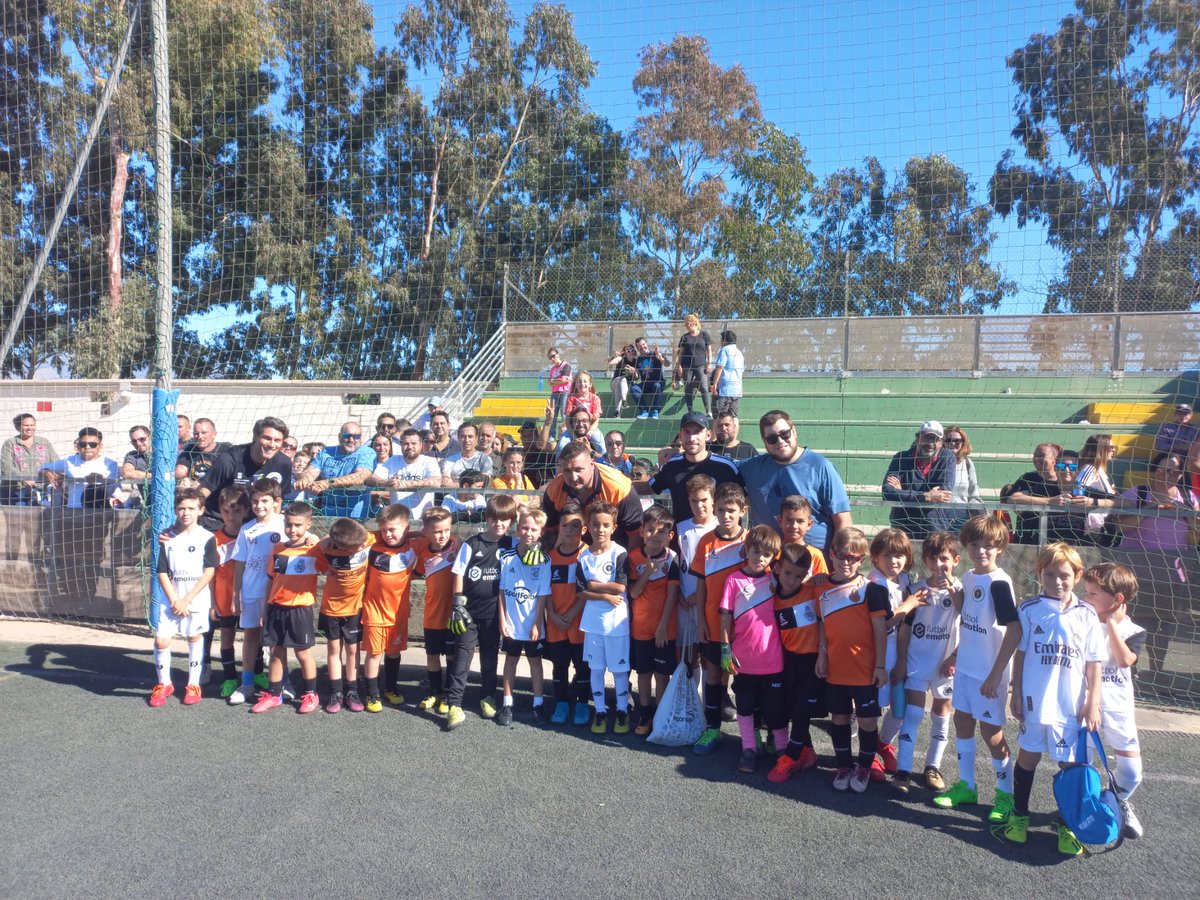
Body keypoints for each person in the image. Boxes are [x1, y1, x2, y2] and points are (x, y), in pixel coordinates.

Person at [993, 542, 1104, 857]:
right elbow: (1022, 652)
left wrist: (1093, 700)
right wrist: (1016, 692)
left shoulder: (1087, 615)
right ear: (1038, 573)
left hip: (1071, 706)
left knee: (1071, 766)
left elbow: (1094, 662)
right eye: (1050, 574)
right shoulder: (1029, 610)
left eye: (1065, 575)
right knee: (1028, 758)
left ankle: (1067, 824)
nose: (1058, 581)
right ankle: (1019, 815)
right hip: (1036, 702)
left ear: (1078, 576)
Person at [932, 514, 1018, 825]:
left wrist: (997, 675)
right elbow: (965, 611)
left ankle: (1006, 794)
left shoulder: (999, 583)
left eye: (988, 546)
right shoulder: (969, 577)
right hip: (967, 668)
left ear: (1000, 548)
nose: (981, 551)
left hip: (988, 673)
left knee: (991, 733)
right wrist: (954, 590)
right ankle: (967, 786)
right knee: (964, 724)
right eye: (974, 545)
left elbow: (1015, 631)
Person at [813, 527, 888, 793]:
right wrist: (822, 653)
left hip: (865, 670)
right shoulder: (820, 586)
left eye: (854, 558)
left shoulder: (872, 590)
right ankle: (843, 765)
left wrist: (880, 666)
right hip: (835, 668)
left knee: (867, 721)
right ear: (831, 553)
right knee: (840, 718)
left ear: (862, 560)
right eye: (841, 555)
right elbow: (822, 624)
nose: (846, 562)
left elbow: (881, 631)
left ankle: (864, 766)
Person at [891, 531, 961, 793]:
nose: (938, 565)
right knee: (913, 714)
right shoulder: (916, 590)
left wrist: (954, 656)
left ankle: (933, 766)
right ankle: (904, 769)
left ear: (955, 560)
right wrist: (900, 661)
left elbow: (971, 623)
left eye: (943, 559)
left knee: (942, 716)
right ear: (925, 561)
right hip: (917, 662)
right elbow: (905, 629)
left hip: (945, 667)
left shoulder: (960, 591)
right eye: (931, 559)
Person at [1081, 562, 1147, 839]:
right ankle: (1082, 812)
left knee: (1132, 772)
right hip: (1083, 704)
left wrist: (1110, 624)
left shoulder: (1134, 630)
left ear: (1118, 599)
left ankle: (1116, 801)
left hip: (1117, 708)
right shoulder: (1081, 619)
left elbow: (1124, 660)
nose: (1086, 598)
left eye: (1093, 594)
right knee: (1083, 768)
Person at [444, 495, 519, 730]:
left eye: (505, 520)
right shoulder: (472, 543)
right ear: (487, 518)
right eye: (495, 519)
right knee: (462, 657)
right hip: (468, 614)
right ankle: (454, 704)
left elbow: (530, 549)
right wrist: (457, 605)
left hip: (494, 614)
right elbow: (458, 573)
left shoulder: (512, 544)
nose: (499, 524)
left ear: (511, 521)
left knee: (489, 657)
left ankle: (488, 697)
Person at [719, 525, 787, 774]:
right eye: (756, 552)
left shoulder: (776, 581)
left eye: (767, 555)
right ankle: (748, 748)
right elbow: (725, 618)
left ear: (773, 557)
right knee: (745, 706)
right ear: (746, 550)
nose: (760, 558)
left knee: (775, 708)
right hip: (743, 660)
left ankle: (782, 749)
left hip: (773, 662)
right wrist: (725, 648)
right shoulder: (733, 580)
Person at [691, 481, 751, 755]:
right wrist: (701, 620)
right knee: (713, 675)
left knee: (746, 681)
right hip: (713, 625)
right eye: (720, 510)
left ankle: (752, 736)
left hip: (745, 629)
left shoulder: (751, 542)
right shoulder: (706, 542)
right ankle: (712, 728)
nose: (725, 516)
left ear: (743, 510)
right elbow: (701, 584)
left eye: (731, 510)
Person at [739, 410, 852, 553]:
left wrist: (839, 557)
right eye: (772, 439)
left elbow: (843, 520)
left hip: (816, 563)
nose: (780, 441)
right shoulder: (751, 468)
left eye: (785, 434)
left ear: (794, 431)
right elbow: (720, 468)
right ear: (764, 441)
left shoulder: (821, 467)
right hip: (769, 561)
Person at [249, 501, 324, 715]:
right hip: (276, 609)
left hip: (299, 609)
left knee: (303, 653)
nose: (293, 530)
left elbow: (333, 548)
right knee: (275, 652)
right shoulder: (278, 549)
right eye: (289, 525)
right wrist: (266, 609)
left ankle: (311, 693)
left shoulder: (314, 549)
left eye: (298, 525)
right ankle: (274, 694)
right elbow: (271, 581)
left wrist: (319, 540)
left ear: (309, 524)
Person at [866, 528, 927, 782]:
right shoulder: (873, 583)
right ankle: (867, 754)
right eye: (888, 556)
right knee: (870, 708)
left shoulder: (902, 580)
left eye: (900, 555)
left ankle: (883, 742)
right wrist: (909, 604)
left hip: (900, 652)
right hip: (876, 653)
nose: (894, 561)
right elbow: (886, 624)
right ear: (875, 558)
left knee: (899, 707)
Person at [148, 488, 218, 708]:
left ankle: (193, 684)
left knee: (194, 638)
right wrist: (174, 600)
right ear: (175, 510)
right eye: (181, 508)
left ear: (201, 510)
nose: (185, 512)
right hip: (171, 599)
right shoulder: (167, 537)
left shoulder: (207, 538)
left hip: (195, 598)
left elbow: (209, 572)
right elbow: (161, 571)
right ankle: (164, 683)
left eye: (191, 508)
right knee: (161, 639)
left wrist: (187, 599)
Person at [227, 478, 286, 705]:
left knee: (276, 639)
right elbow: (240, 563)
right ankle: (247, 683)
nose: (259, 505)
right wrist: (235, 594)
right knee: (251, 635)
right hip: (251, 591)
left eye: (264, 500)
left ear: (276, 502)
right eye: (255, 501)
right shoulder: (247, 528)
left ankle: (280, 683)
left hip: (278, 592)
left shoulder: (285, 524)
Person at [576, 499, 632, 735]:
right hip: (593, 623)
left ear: (613, 527)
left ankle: (621, 710)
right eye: (596, 525)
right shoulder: (584, 557)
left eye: (605, 525)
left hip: (617, 624)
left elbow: (620, 587)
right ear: (588, 527)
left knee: (619, 671)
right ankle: (599, 711)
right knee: (596, 669)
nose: (600, 530)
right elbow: (581, 592)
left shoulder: (620, 553)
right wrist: (604, 595)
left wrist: (595, 586)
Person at [766, 542, 821, 783]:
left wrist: (823, 579)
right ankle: (805, 751)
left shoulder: (813, 590)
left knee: (801, 709)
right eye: (787, 573)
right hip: (788, 659)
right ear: (777, 568)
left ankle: (792, 754)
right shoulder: (771, 594)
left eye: (799, 576)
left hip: (814, 660)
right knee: (787, 706)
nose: (792, 580)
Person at [361, 504, 423, 713]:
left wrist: (411, 532)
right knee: (374, 653)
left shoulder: (415, 546)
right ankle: (372, 693)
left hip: (398, 614)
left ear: (406, 527)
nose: (387, 534)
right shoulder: (374, 544)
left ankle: (391, 688)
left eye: (393, 530)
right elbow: (359, 534)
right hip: (374, 612)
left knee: (394, 653)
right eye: (384, 530)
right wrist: (379, 532)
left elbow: (435, 533)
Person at [627, 506, 681, 735]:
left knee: (662, 675)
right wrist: (647, 573)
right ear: (641, 531)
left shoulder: (673, 559)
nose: (655, 535)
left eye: (661, 532)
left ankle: (660, 714)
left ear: (670, 536)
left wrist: (662, 628)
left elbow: (672, 596)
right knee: (643, 673)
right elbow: (633, 593)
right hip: (640, 627)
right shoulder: (632, 558)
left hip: (664, 629)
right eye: (650, 530)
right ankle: (645, 712)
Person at [496, 507, 552, 726]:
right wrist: (502, 619)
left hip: (533, 625)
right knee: (510, 661)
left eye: (533, 529)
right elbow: (501, 591)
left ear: (541, 533)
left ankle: (538, 704)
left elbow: (543, 595)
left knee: (535, 662)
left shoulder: (544, 561)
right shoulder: (506, 557)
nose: (528, 533)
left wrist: (538, 623)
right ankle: (508, 703)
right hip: (511, 624)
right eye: (524, 528)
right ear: (517, 529)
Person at [313, 518, 373, 714]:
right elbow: (314, 547)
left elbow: (378, 534)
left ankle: (352, 691)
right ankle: (336, 692)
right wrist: (323, 541)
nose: (360, 547)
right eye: (355, 547)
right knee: (333, 650)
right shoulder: (325, 549)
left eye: (360, 544)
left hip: (355, 608)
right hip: (331, 609)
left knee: (353, 651)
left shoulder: (367, 540)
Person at [541, 442, 643, 549]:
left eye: (578, 470)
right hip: (572, 552)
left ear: (591, 464)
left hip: (616, 551)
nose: (574, 477)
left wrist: (626, 563)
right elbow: (550, 533)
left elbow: (636, 536)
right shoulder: (554, 490)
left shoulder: (620, 488)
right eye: (567, 471)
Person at [198, 416, 293, 530]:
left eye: (277, 440)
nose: (272, 445)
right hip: (219, 521)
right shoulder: (230, 459)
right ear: (255, 437)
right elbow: (203, 491)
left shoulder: (283, 463)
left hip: (254, 523)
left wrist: (274, 527)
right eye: (267, 438)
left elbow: (277, 499)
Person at [641, 412, 741, 518]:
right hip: (682, 533)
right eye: (687, 432)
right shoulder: (671, 465)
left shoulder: (726, 467)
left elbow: (745, 499)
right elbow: (650, 488)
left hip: (716, 534)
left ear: (708, 435)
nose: (692, 438)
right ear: (681, 436)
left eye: (697, 432)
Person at [201, 487, 249, 699]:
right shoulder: (214, 539)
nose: (231, 516)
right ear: (220, 511)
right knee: (227, 637)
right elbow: (210, 575)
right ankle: (229, 677)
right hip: (223, 598)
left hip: (248, 599)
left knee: (252, 637)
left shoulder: (251, 535)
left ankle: (255, 674)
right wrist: (212, 602)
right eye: (226, 511)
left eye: (237, 511)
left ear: (246, 511)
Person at [414, 506, 459, 714]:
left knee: (451, 657)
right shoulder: (423, 553)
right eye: (437, 531)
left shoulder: (457, 545)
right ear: (427, 532)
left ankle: (449, 694)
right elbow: (415, 573)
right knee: (432, 656)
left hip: (453, 616)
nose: (442, 535)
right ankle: (435, 691)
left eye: (446, 530)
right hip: (432, 615)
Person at [881, 420, 956, 539]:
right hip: (903, 528)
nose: (930, 442)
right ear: (918, 438)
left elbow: (944, 493)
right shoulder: (901, 458)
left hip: (935, 529)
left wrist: (903, 493)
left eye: (935, 439)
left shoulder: (948, 458)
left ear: (941, 442)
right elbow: (887, 492)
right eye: (926, 437)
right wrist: (925, 496)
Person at [1117, 451, 1200, 550]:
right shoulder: (1138, 493)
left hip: (1175, 561)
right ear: (1154, 471)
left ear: (1181, 475)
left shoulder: (1188, 497)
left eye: (1174, 472)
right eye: (1162, 471)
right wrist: (1147, 510)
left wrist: (1187, 514)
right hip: (1136, 559)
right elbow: (1118, 527)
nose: (1167, 476)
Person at [292, 421, 376, 517]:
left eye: (356, 436)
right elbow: (311, 471)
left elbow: (359, 477)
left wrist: (327, 483)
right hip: (326, 512)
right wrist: (304, 479)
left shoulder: (367, 452)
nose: (351, 439)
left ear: (361, 438)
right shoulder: (326, 452)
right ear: (339, 437)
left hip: (354, 515)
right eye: (347, 436)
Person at [38, 426, 120, 508]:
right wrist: (46, 472)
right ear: (78, 446)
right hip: (72, 514)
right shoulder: (69, 461)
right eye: (83, 444)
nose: (87, 447)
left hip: (98, 515)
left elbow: (116, 493)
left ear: (100, 446)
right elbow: (40, 468)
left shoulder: (111, 465)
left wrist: (101, 481)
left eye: (92, 444)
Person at [370, 427, 441, 517]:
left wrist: (406, 484)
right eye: (406, 443)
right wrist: (387, 482)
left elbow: (436, 481)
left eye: (413, 443)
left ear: (421, 445)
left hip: (423, 520)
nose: (410, 446)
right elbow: (371, 478)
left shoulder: (429, 461)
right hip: (396, 518)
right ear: (401, 444)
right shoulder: (393, 460)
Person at [2, 413, 58, 506]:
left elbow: (55, 462)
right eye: (26, 425)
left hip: (41, 490)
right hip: (15, 491)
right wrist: (23, 478)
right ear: (18, 427)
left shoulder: (44, 442)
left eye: (32, 425)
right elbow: (6, 467)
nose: (29, 428)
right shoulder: (10, 443)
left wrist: (50, 472)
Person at [1077, 434, 1119, 544]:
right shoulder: (1090, 468)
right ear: (1099, 449)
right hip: (1091, 528)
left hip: (1103, 524)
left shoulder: (1100, 469)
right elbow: (1078, 488)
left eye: (1114, 447)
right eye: (1110, 447)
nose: (1113, 450)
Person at [939, 425, 982, 531]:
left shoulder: (967, 463)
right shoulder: (936, 463)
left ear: (963, 443)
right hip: (939, 514)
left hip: (961, 517)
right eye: (948, 440)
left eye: (957, 441)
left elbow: (974, 493)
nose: (953, 444)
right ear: (943, 442)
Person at [675, 314, 713, 417]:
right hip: (687, 366)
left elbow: (709, 351)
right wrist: (679, 366)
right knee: (688, 387)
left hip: (701, 365)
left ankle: (708, 411)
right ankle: (690, 411)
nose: (687, 325)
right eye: (686, 323)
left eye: (689, 322)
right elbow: (681, 353)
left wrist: (709, 363)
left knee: (704, 387)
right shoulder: (684, 337)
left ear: (695, 322)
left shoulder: (704, 335)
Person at [175, 418, 229, 489]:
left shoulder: (225, 449)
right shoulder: (190, 448)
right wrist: (185, 479)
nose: (200, 437)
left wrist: (203, 484)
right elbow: (180, 470)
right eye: (196, 434)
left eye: (204, 433)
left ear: (214, 434)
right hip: (193, 494)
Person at [710, 329, 744, 418]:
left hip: (724, 389)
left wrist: (715, 383)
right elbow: (742, 372)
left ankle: (716, 432)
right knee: (733, 417)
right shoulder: (740, 353)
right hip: (736, 390)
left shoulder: (724, 350)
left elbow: (720, 367)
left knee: (718, 417)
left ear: (724, 340)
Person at [633, 337, 667, 420]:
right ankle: (644, 411)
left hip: (658, 382)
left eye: (643, 344)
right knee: (634, 388)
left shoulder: (655, 353)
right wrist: (633, 372)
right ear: (637, 348)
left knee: (656, 386)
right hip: (646, 384)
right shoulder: (638, 359)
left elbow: (667, 364)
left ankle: (655, 411)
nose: (642, 347)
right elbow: (637, 377)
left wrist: (660, 357)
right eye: (639, 346)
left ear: (646, 344)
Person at [607, 343, 639, 417]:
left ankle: (617, 412)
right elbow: (611, 363)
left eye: (632, 350)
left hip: (625, 387)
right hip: (614, 383)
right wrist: (615, 356)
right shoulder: (621, 359)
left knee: (620, 387)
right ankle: (624, 401)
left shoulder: (636, 362)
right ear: (625, 353)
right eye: (628, 351)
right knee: (622, 379)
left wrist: (633, 371)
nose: (630, 352)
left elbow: (636, 377)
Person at [546, 347, 573, 434]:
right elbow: (549, 382)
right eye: (550, 358)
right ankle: (551, 437)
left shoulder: (566, 365)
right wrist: (558, 380)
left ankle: (568, 434)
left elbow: (563, 380)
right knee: (553, 416)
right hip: (554, 393)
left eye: (553, 356)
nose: (552, 359)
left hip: (564, 393)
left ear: (558, 354)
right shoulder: (552, 369)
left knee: (564, 415)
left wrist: (554, 380)